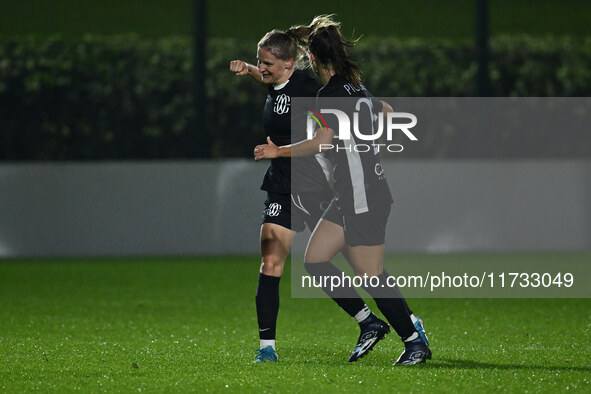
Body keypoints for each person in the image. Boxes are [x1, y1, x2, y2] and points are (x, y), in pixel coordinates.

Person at [254, 16, 431, 365]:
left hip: (363, 195)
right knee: (316, 259)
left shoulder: (328, 96)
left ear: (315, 60)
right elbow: (388, 111)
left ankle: (413, 340)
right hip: (352, 192)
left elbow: (321, 141)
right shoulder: (356, 88)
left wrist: (278, 151)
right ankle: (373, 325)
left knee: (370, 274)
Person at [230, 18, 394, 364]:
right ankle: (267, 349)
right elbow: (272, 84)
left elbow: (367, 113)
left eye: (267, 64)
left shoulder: (309, 87)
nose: (263, 68)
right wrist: (249, 70)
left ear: (289, 63)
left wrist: (367, 137)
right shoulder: (277, 84)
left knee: (362, 266)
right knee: (271, 262)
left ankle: (403, 324)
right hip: (281, 187)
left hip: (318, 187)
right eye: (259, 61)